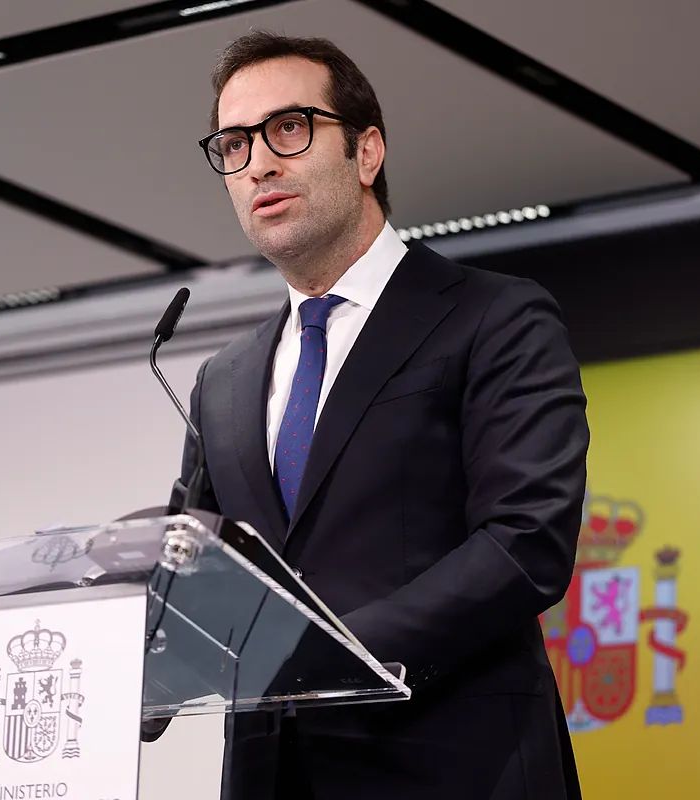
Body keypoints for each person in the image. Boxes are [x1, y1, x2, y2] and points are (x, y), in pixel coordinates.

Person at [170, 31, 589, 800]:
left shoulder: (495, 317)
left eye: (288, 128)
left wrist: (332, 654)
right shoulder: (221, 382)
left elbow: (527, 540)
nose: (257, 162)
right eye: (234, 144)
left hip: (456, 768)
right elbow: (195, 573)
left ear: (366, 153)